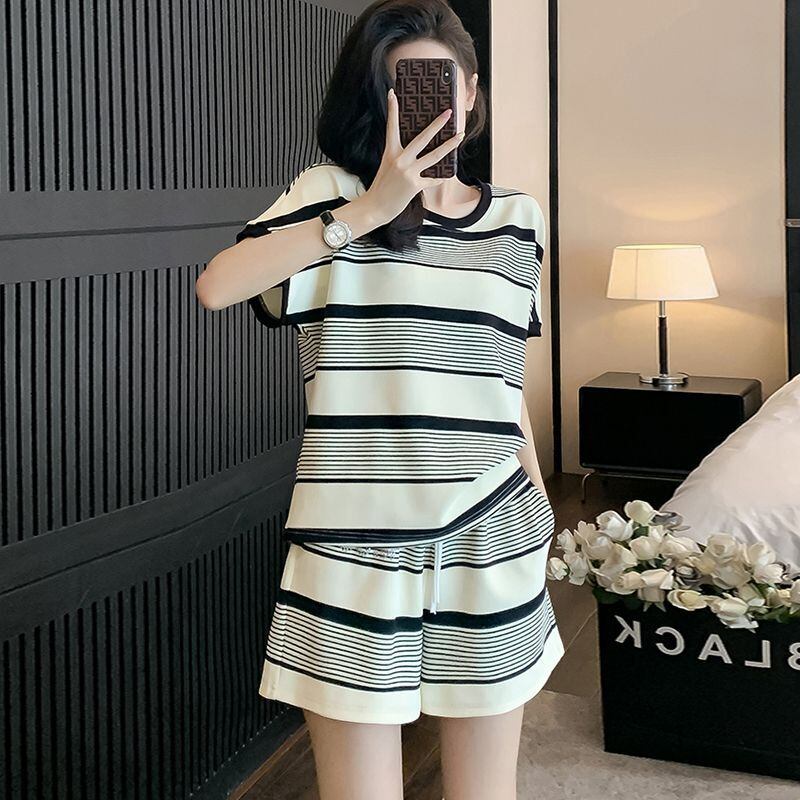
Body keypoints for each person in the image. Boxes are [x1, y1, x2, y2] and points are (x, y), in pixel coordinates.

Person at [196, 2, 564, 797]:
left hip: (493, 533)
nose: (426, 104)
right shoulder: (330, 194)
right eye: (404, 88)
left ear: (472, 91)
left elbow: (501, 382)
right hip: (355, 542)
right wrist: (370, 210)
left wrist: (538, 503)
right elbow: (218, 286)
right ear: (377, 100)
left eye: (440, 83)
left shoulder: (519, 220)